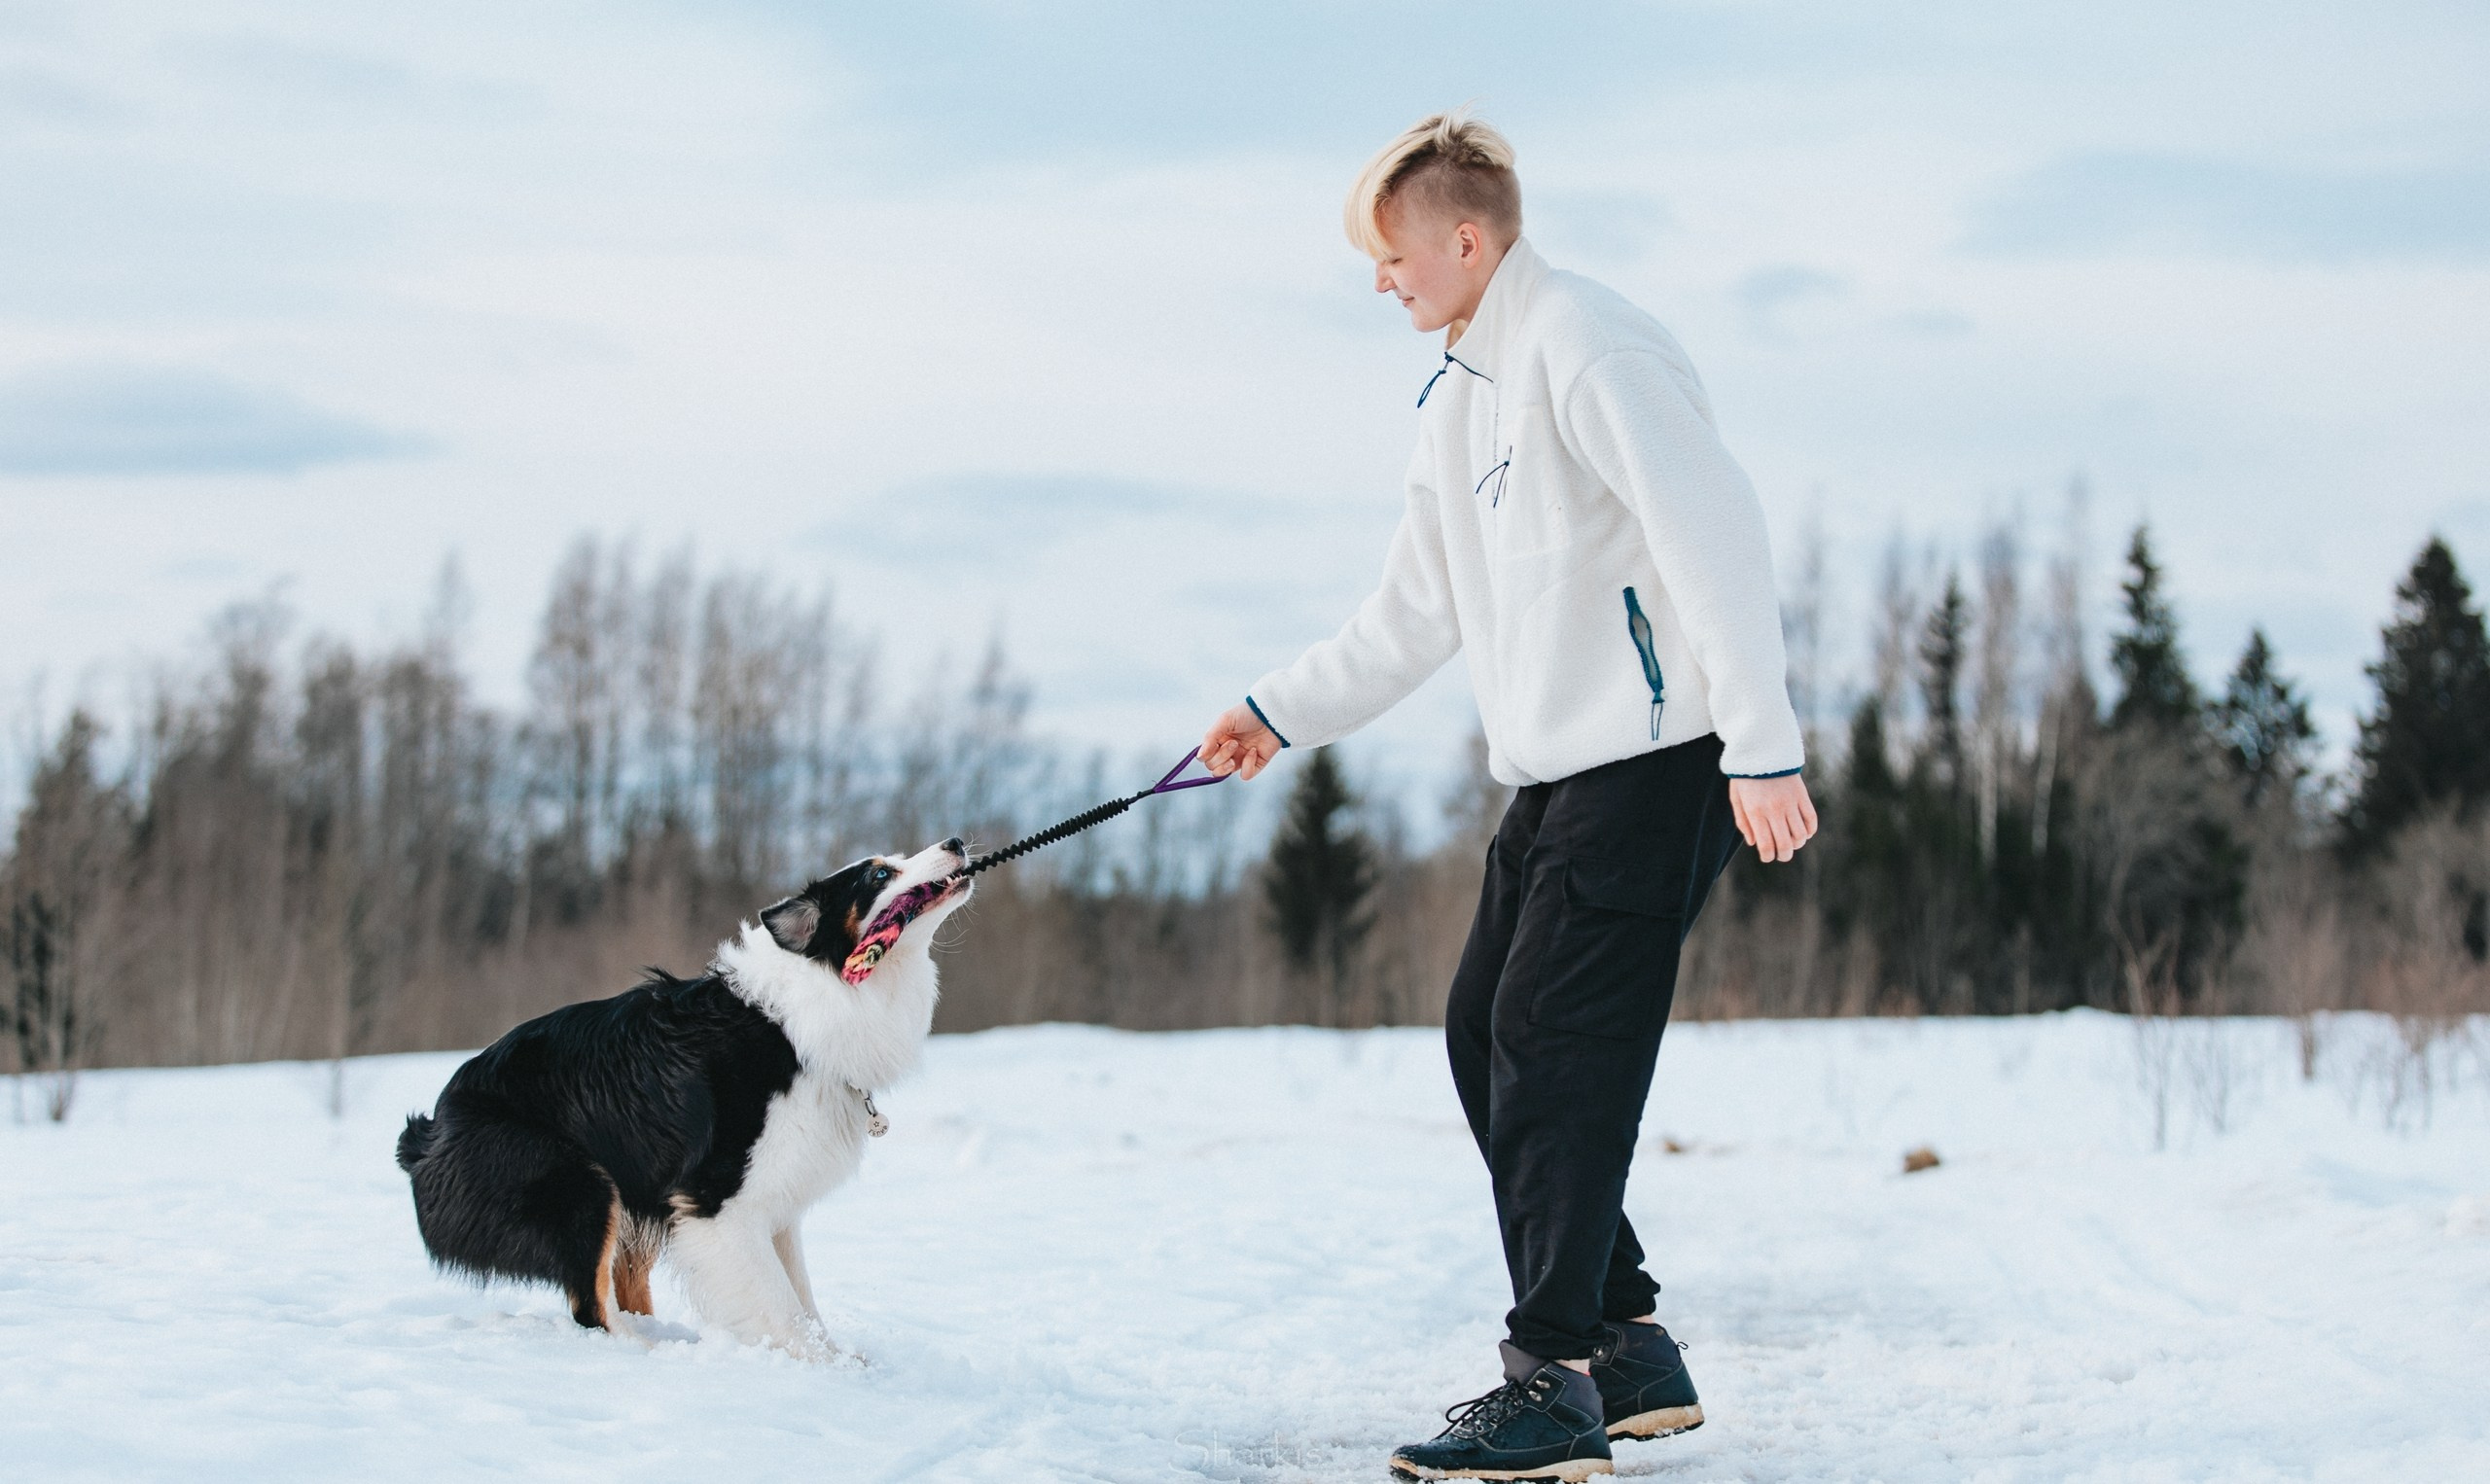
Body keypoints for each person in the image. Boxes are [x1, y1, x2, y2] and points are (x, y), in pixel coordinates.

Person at [1196, 109, 1819, 1482]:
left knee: (1552, 1046)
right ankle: (1626, 1337)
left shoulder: (1590, 346)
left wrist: (1761, 742)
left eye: (1394, 253)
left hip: (1657, 763)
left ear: (1467, 239)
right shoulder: (1462, 393)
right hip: (1555, 773)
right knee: (1489, 1033)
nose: (1381, 279)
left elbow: (1714, 530)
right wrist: (1277, 710)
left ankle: (1552, 1383)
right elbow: (1414, 610)